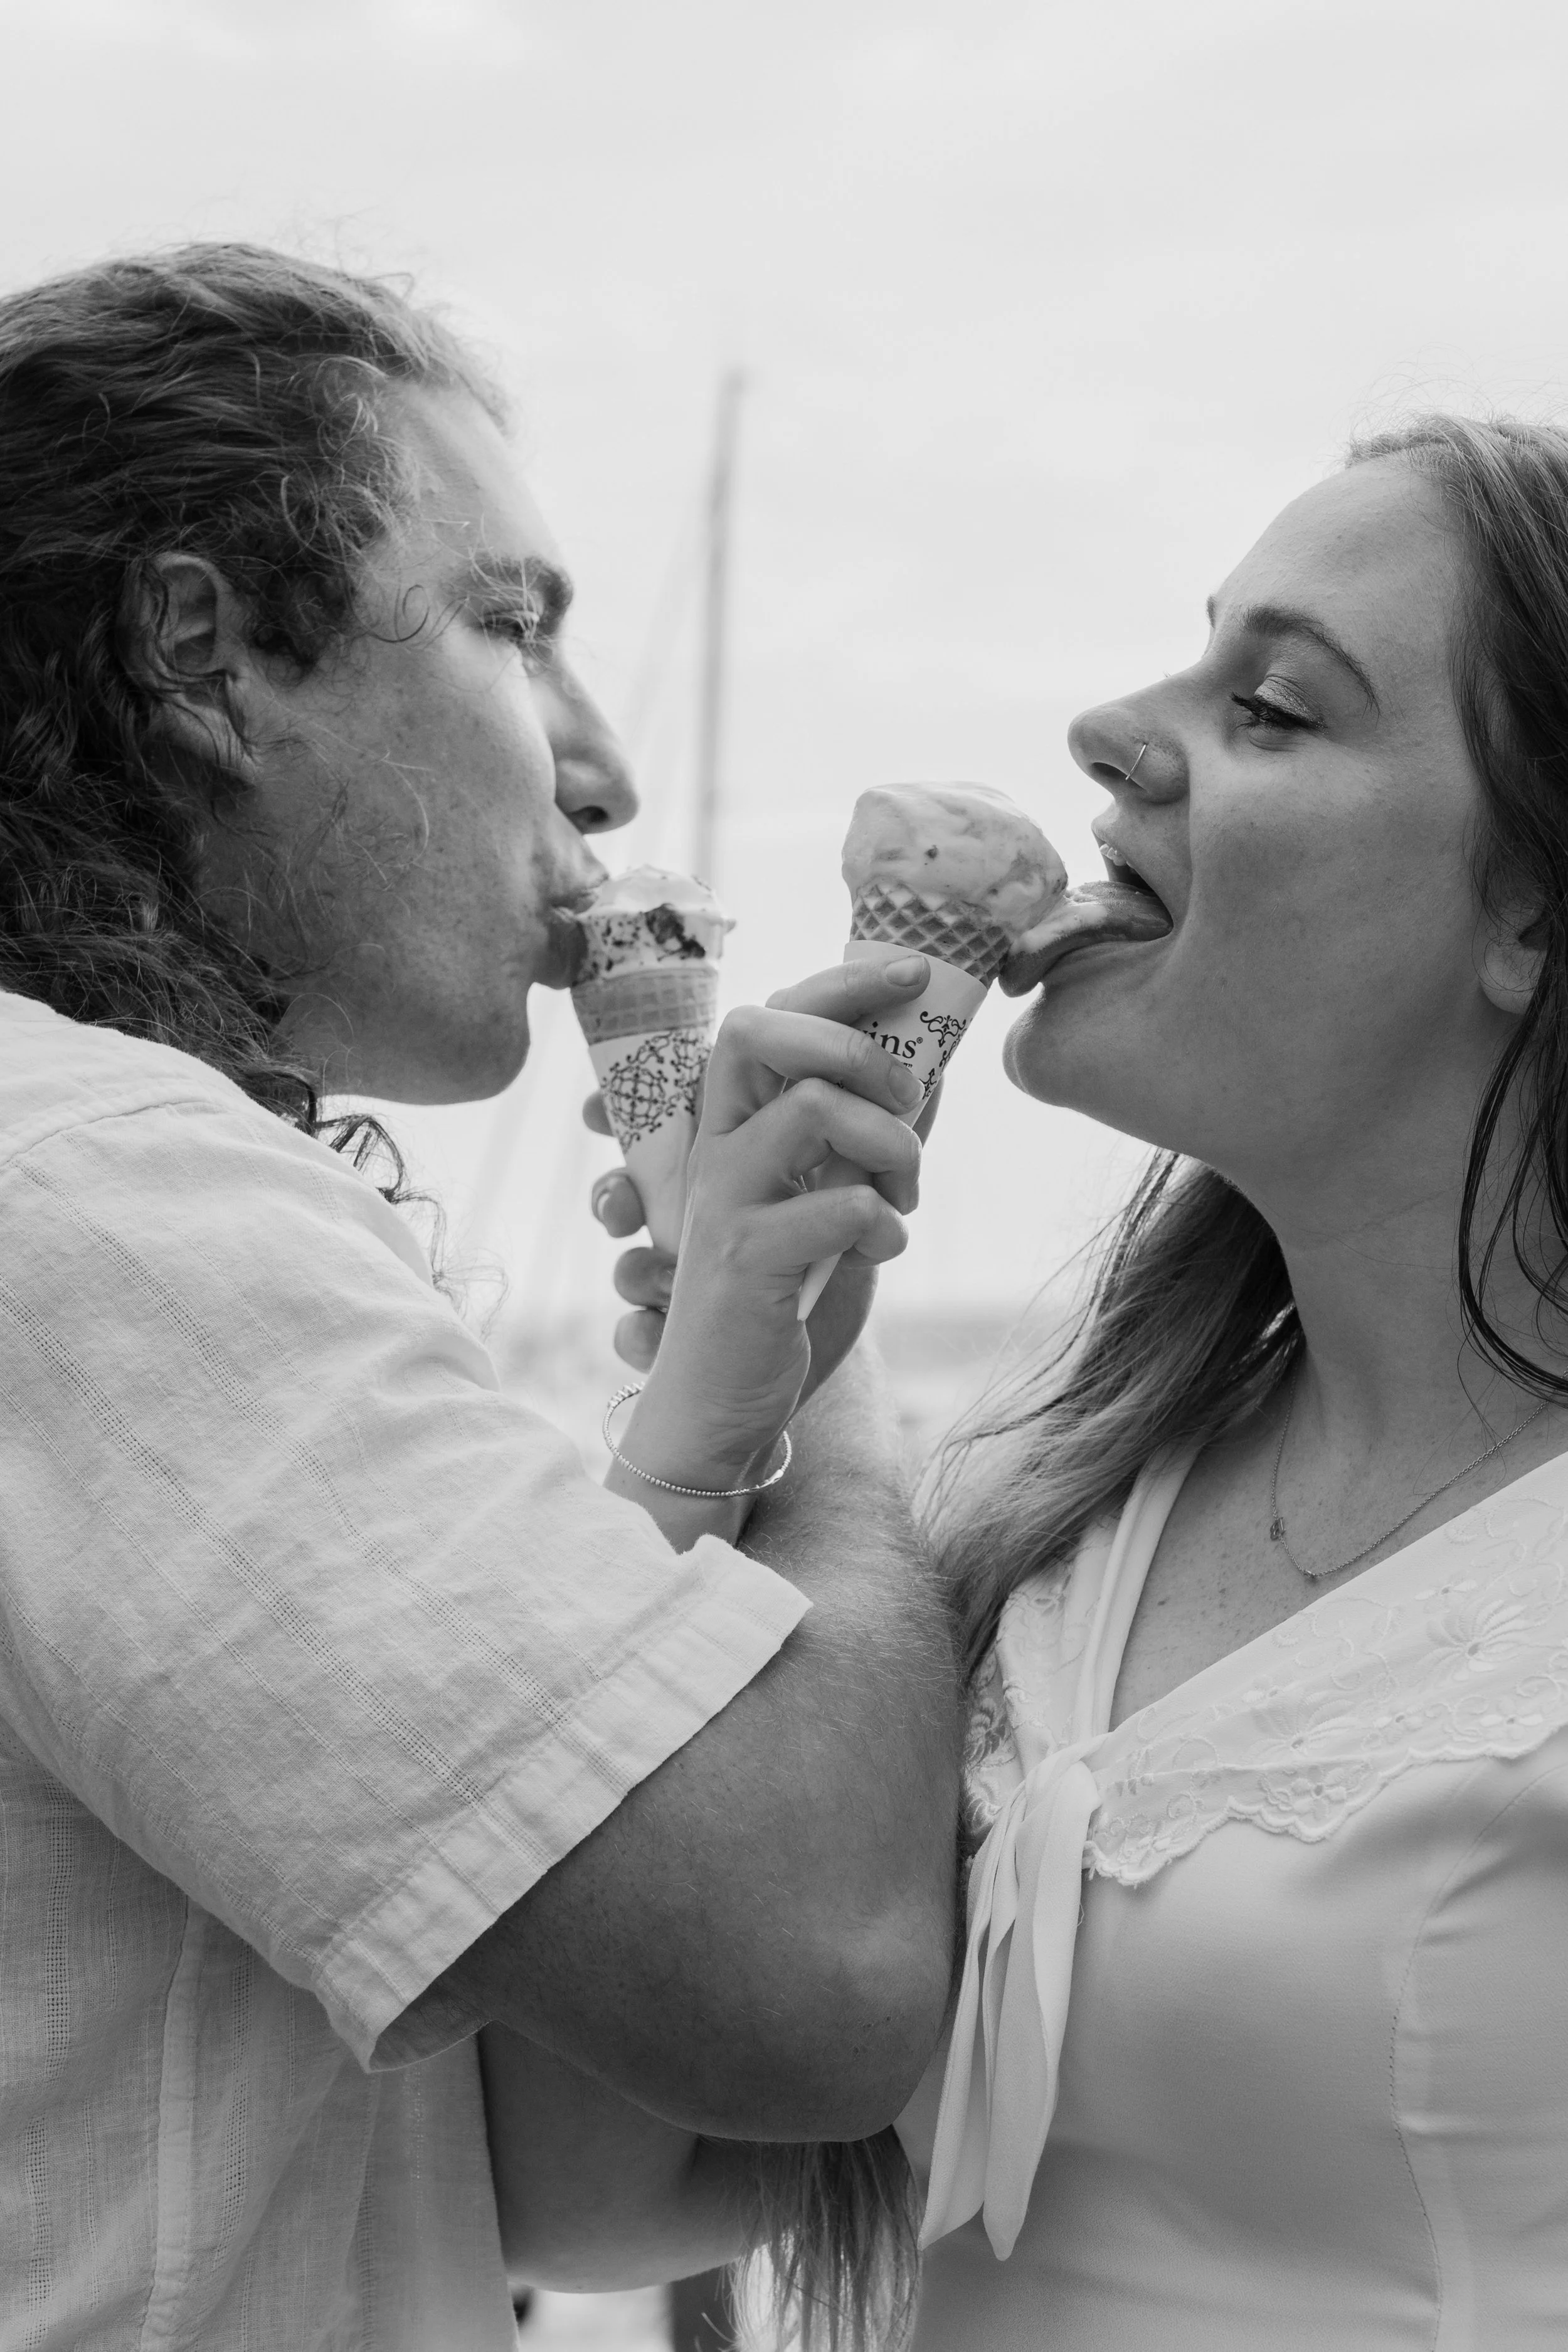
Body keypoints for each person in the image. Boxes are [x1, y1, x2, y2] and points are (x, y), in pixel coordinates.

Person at [522, 413, 1568, 2351]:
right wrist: (737, 1404)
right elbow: (593, 2183)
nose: (1102, 725)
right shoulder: (1027, 1503)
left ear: (1525, 911)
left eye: (1270, 706)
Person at [0, 243, 961, 2349]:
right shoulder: (97, 1198)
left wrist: (702, 1449)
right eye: (512, 626)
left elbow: (558, 2177)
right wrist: (843, 1377)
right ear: (201, 654)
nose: (596, 771)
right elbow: (816, 1976)